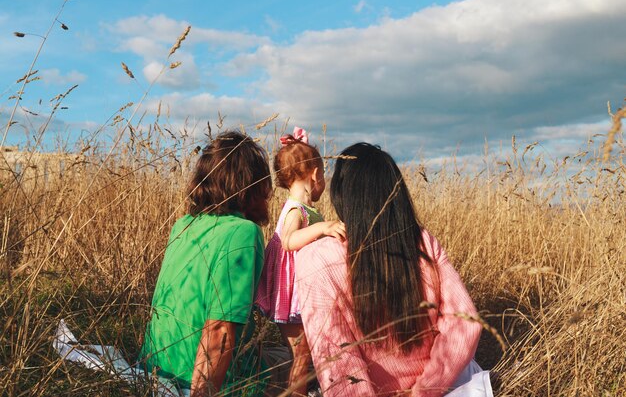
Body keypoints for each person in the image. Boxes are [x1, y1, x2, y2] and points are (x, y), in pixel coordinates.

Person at [295, 143, 482, 397]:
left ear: (341, 194)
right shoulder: (422, 242)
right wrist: (424, 391)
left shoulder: (315, 259)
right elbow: (466, 323)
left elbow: (338, 365)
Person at [140, 131, 272, 396]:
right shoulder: (242, 232)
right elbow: (219, 330)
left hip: (154, 368)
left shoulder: (183, 225)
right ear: (251, 186)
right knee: (304, 360)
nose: (270, 192)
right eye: (265, 183)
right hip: (204, 382)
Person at [255, 127, 346, 396]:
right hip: (291, 298)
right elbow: (289, 240)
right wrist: (323, 228)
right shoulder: (295, 209)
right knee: (302, 352)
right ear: (316, 175)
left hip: (300, 294)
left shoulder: (303, 208)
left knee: (305, 351)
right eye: (324, 175)